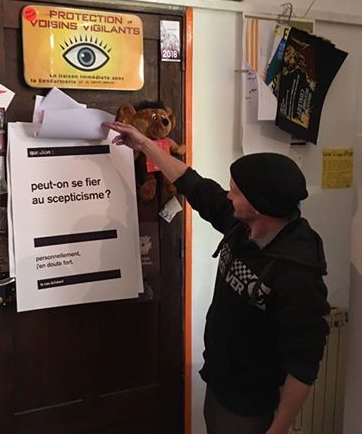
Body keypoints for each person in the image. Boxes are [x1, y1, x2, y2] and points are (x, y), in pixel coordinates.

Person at [103, 121, 330, 434]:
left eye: (235, 191)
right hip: (221, 382)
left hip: (254, 405)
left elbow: (304, 363)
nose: (228, 195)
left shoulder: (297, 273)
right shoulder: (241, 222)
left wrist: (278, 429)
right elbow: (192, 183)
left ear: (259, 205)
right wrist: (144, 144)